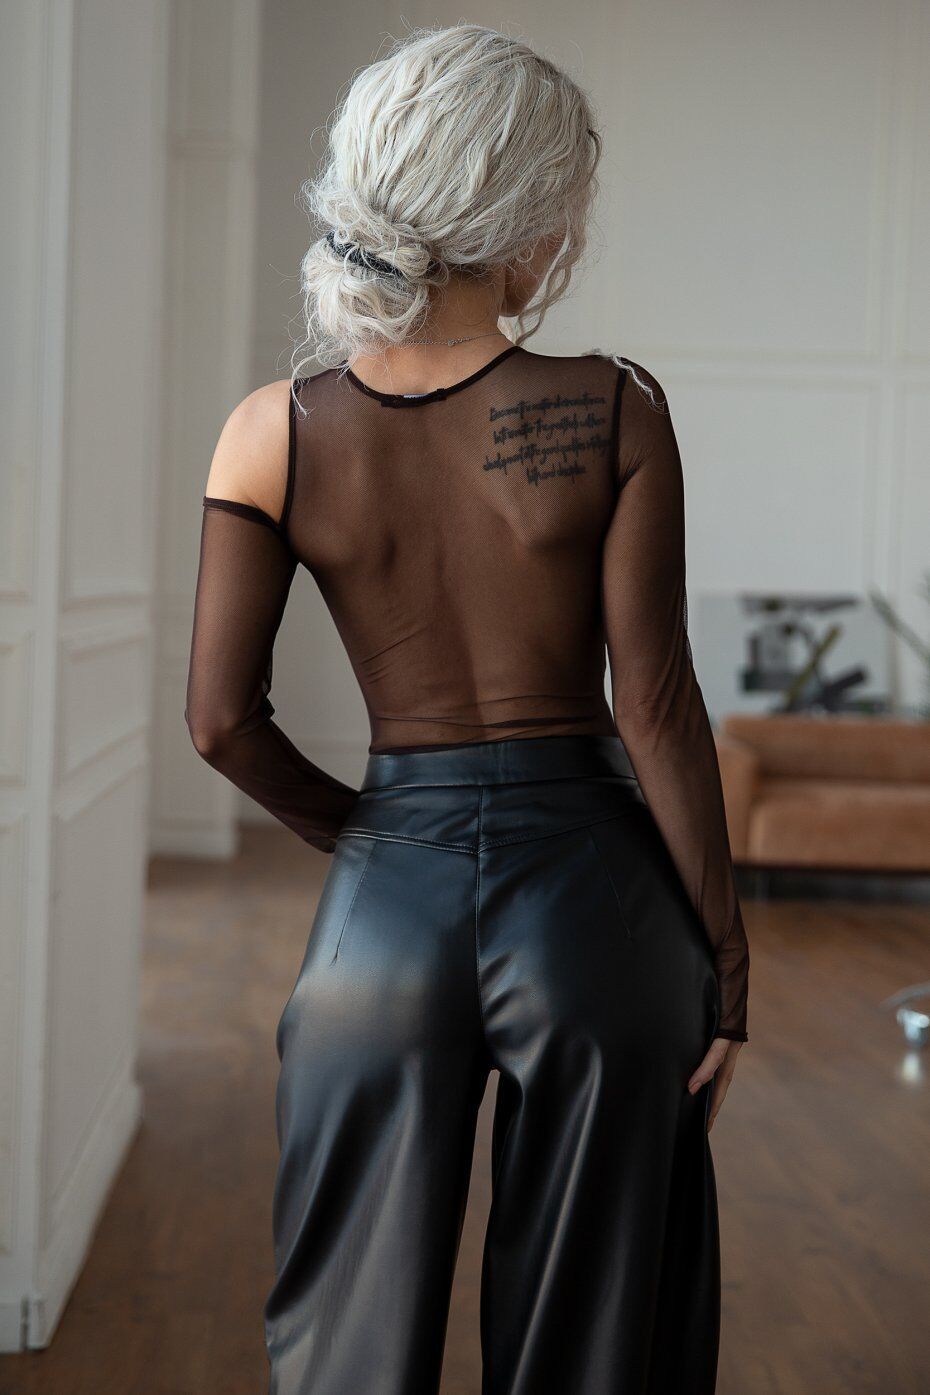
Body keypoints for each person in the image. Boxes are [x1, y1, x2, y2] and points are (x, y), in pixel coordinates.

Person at [184, 22, 749, 1395]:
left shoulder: (273, 428)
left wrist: (380, 839)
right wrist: (723, 973)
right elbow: (656, 707)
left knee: (346, 1345)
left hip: (384, 914)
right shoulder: (612, 407)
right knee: (593, 1345)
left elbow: (220, 722)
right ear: (530, 218)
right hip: (598, 909)